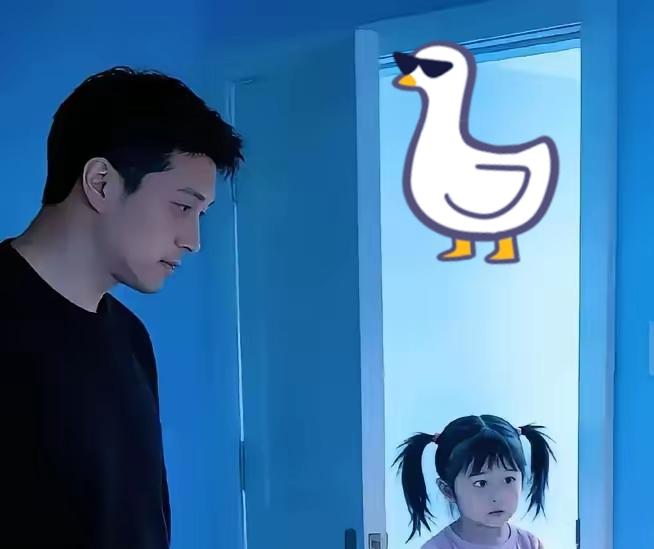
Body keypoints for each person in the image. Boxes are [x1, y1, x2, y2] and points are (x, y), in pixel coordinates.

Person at [0, 66, 243, 548]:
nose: (193, 240)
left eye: (201, 214)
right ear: (101, 182)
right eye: (182, 206)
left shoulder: (131, 337)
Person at [393, 414, 555, 548]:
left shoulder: (530, 544)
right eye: (481, 483)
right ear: (448, 490)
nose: (497, 496)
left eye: (508, 479)